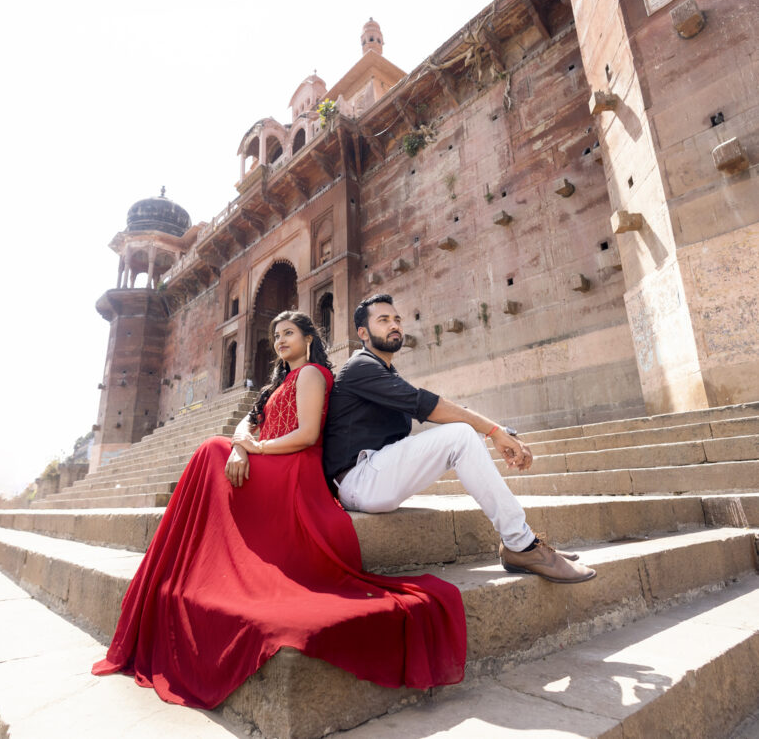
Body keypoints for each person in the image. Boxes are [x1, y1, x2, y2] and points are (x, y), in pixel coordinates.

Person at [92, 310, 466, 709]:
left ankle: (184, 563)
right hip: (265, 461)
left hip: (294, 470)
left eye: (289, 333)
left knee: (207, 451)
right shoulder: (276, 385)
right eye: (275, 336)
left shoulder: (311, 375)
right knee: (216, 448)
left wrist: (255, 449)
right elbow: (244, 427)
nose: (280, 341)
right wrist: (240, 446)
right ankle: (188, 566)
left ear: (308, 339)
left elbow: (306, 435)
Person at [323, 294, 596, 584]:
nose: (395, 325)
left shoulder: (386, 371)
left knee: (460, 434)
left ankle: (520, 541)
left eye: (397, 319)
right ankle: (522, 545)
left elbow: (432, 407)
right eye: (384, 320)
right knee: (460, 435)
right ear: (363, 333)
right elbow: (426, 405)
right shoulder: (360, 367)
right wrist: (494, 431)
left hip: (375, 479)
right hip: (358, 481)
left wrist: (496, 430)